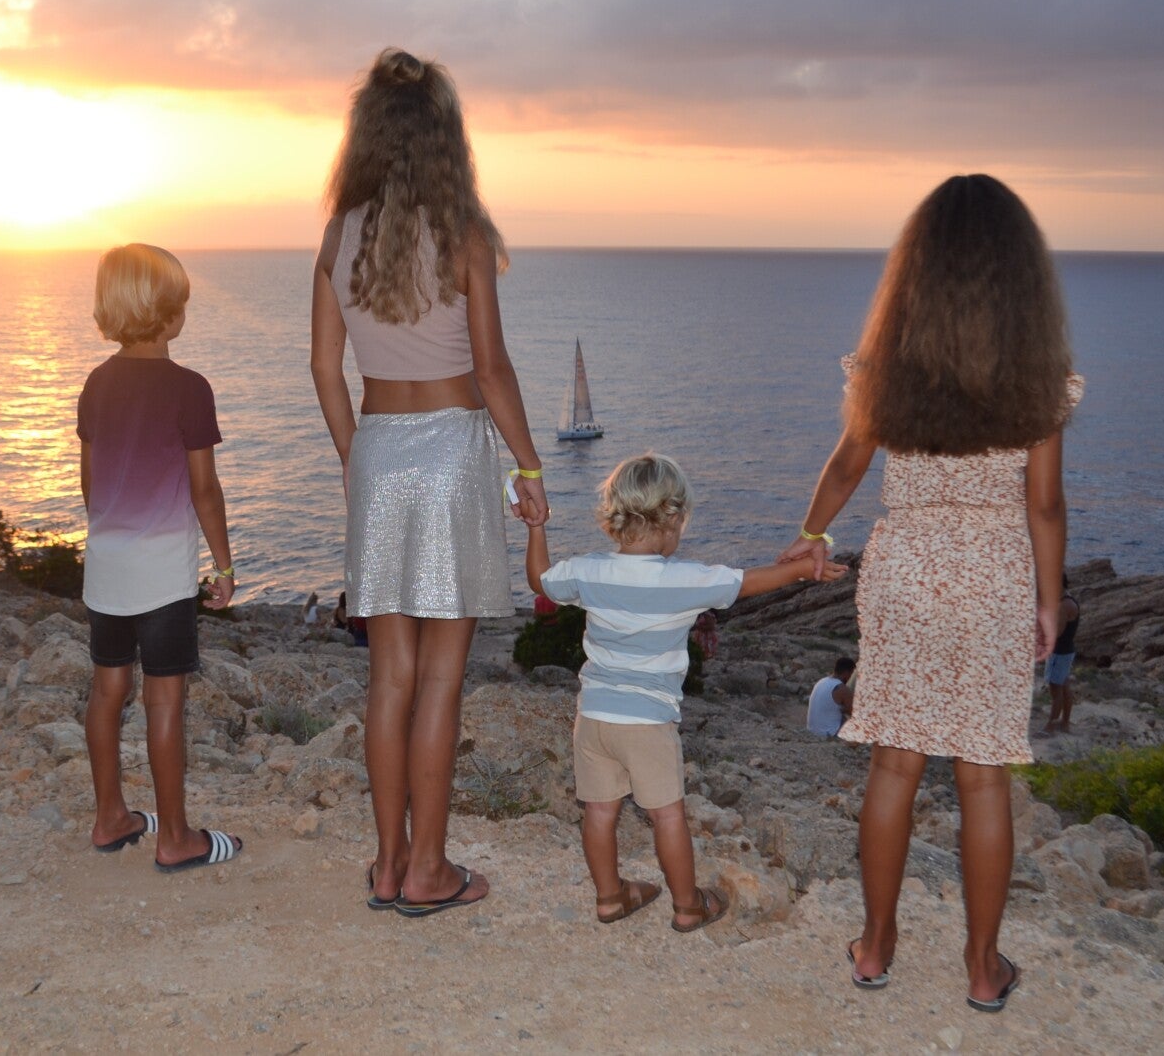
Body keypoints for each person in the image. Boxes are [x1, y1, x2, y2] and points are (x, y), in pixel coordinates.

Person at [777, 174, 1082, 1013]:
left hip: (906, 569)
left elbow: (847, 464)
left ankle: (874, 948)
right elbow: (1044, 505)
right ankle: (982, 969)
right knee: (984, 779)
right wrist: (1047, 603)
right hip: (994, 575)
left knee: (893, 765)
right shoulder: (1039, 377)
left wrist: (809, 535)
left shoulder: (888, 368)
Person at [310, 48, 549, 916]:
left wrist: (355, 461)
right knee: (442, 679)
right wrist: (528, 467)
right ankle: (429, 871)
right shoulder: (463, 236)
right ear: (447, 138)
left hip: (378, 448)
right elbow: (490, 370)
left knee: (389, 678)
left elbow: (324, 369)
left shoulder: (339, 235)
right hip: (451, 455)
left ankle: (386, 865)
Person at [527, 453, 846, 931]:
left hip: (593, 717)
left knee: (599, 811)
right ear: (673, 520)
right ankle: (688, 906)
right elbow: (750, 582)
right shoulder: (684, 580)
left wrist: (537, 527)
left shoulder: (588, 571)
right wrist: (804, 569)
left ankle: (610, 897)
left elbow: (539, 579)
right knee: (668, 816)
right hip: (648, 722)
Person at [77, 243, 243, 872]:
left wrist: (110, 535)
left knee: (107, 690)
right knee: (164, 699)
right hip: (164, 570)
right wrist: (223, 565)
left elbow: (90, 481)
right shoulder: (189, 389)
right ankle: (175, 837)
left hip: (106, 562)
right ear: (169, 313)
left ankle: (110, 818)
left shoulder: (96, 383)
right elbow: (205, 489)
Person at [1043, 578, 1081, 732]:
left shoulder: (1063, 606)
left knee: (1056, 689)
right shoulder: (1069, 600)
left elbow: (1057, 633)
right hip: (1066, 650)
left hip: (1058, 652)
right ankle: (1065, 723)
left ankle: (1050, 727)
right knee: (1064, 686)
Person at [807, 657, 857, 738]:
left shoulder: (822, 681)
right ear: (846, 673)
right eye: (851, 674)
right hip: (828, 733)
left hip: (812, 730)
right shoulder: (842, 689)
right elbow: (854, 713)